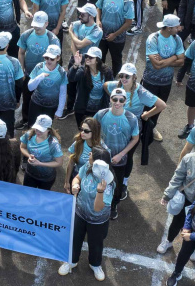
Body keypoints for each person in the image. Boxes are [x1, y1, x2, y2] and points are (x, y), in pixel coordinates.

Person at [59, 149, 114, 281]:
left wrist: (100, 192)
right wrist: (75, 185)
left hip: (97, 219)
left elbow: (98, 208)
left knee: (96, 243)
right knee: (74, 238)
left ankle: (95, 264)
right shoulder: (88, 166)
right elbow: (77, 177)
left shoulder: (108, 182)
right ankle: (72, 261)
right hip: (80, 212)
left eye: (91, 155)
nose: (89, 154)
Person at [94, 88, 139, 216]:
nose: (117, 102)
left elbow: (135, 139)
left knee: (116, 184)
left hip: (120, 160)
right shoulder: (101, 114)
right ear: (110, 99)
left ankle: (113, 206)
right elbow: (93, 130)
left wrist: (121, 154)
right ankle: (97, 202)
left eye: (121, 100)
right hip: (102, 157)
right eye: (115, 99)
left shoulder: (131, 118)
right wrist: (101, 146)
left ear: (125, 101)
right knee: (99, 180)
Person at [142, 14, 185, 140]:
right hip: (150, 82)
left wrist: (164, 60)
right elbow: (157, 66)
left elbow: (181, 61)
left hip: (166, 83)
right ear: (169, 28)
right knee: (145, 107)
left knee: (158, 108)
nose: (179, 29)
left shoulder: (177, 39)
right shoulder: (153, 39)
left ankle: (152, 127)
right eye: (176, 27)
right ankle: (141, 129)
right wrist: (174, 57)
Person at [114, 63, 165, 166]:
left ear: (134, 77)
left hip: (131, 128)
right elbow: (106, 86)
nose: (123, 78)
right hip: (116, 125)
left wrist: (146, 115)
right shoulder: (117, 86)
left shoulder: (141, 92)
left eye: (127, 76)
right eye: (121, 75)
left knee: (127, 156)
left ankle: (124, 175)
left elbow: (162, 105)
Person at [16, 11, 59, 128]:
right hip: (29, 74)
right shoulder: (26, 35)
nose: (36, 27)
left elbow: (56, 59)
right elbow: (21, 52)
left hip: (45, 76)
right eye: (35, 25)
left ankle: (43, 124)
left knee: (43, 99)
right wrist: (21, 69)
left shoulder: (52, 39)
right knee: (26, 97)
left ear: (46, 24)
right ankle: (26, 119)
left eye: (39, 25)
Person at [67, 46, 110, 127]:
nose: (87, 58)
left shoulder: (106, 72)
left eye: (91, 57)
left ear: (97, 60)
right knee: (83, 130)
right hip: (83, 109)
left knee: (95, 130)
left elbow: (110, 88)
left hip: (99, 110)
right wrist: (76, 64)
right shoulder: (83, 70)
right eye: (86, 56)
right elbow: (71, 78)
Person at [19, 115, 64, 190]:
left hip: (46, 178)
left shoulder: (53, 143)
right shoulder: (29, 134)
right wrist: (29, 156)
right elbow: (22, 147)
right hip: (30, 173)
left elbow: (59, 162)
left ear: (49, 129)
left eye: (41, 130)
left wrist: (40, 163)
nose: (37, 131)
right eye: (36, 128)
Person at [64, 117, 107, 190]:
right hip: (76, 179)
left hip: (93, 182)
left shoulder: (102, 148)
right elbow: (71, 163)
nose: (82, 132)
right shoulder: (78, 143)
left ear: (94, 132)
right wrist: (67, 182)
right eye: (81, 129)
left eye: (86, 131)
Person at [27, 44, 68, 121]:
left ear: (58, 58)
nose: (48, 61)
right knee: (32, 126)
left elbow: (63, 93)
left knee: (46, 127)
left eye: (52, 59)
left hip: (51, 106)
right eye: (46, 58)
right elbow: (30, 87)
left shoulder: (62, 72)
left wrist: (60, 110)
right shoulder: (39, 67)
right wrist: (40, 77)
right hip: (36, 103)